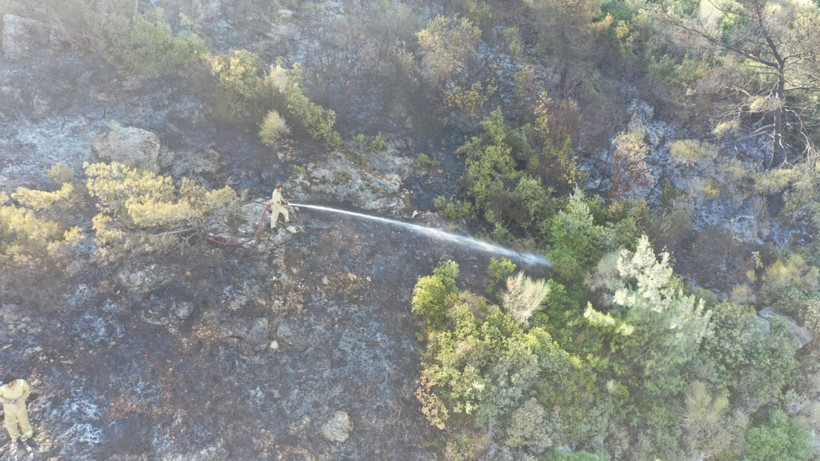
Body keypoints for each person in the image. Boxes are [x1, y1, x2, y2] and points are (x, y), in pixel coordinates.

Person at [0, 377, 33, 448]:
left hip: (21, 407)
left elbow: (27, 391)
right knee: (11, 424)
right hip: (9, 409)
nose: (7, 386)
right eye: (6, 385)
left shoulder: (22, 383)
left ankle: (29, 437)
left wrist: (20, 399)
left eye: (8, 384)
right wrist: (4, 400)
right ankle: (16, 439)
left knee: (24, 422)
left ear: (13, 381)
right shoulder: (3, 388)